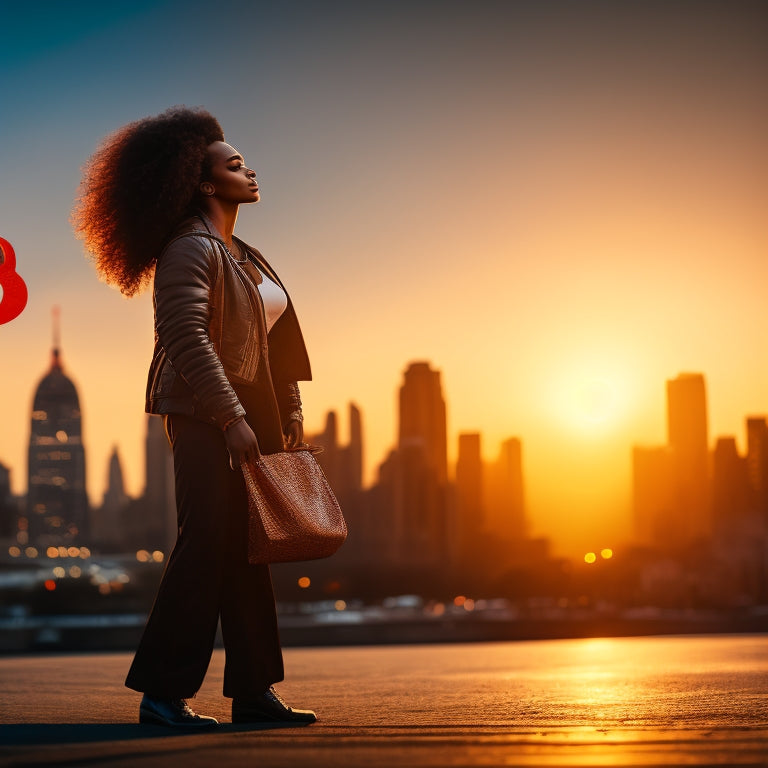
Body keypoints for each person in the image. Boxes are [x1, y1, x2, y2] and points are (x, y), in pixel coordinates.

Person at [72, 106, 316, 728]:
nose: (249, 170)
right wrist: (231, 417)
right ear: (204, 182)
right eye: (234, 165)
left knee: (250, 550)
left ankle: (254, 693)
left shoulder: (245, 253)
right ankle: (162, 695)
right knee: (206, 543)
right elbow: (183, 335)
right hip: (205, 410)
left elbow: (275, 342)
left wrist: (286, 408)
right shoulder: (190, 247)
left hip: (248, 411)